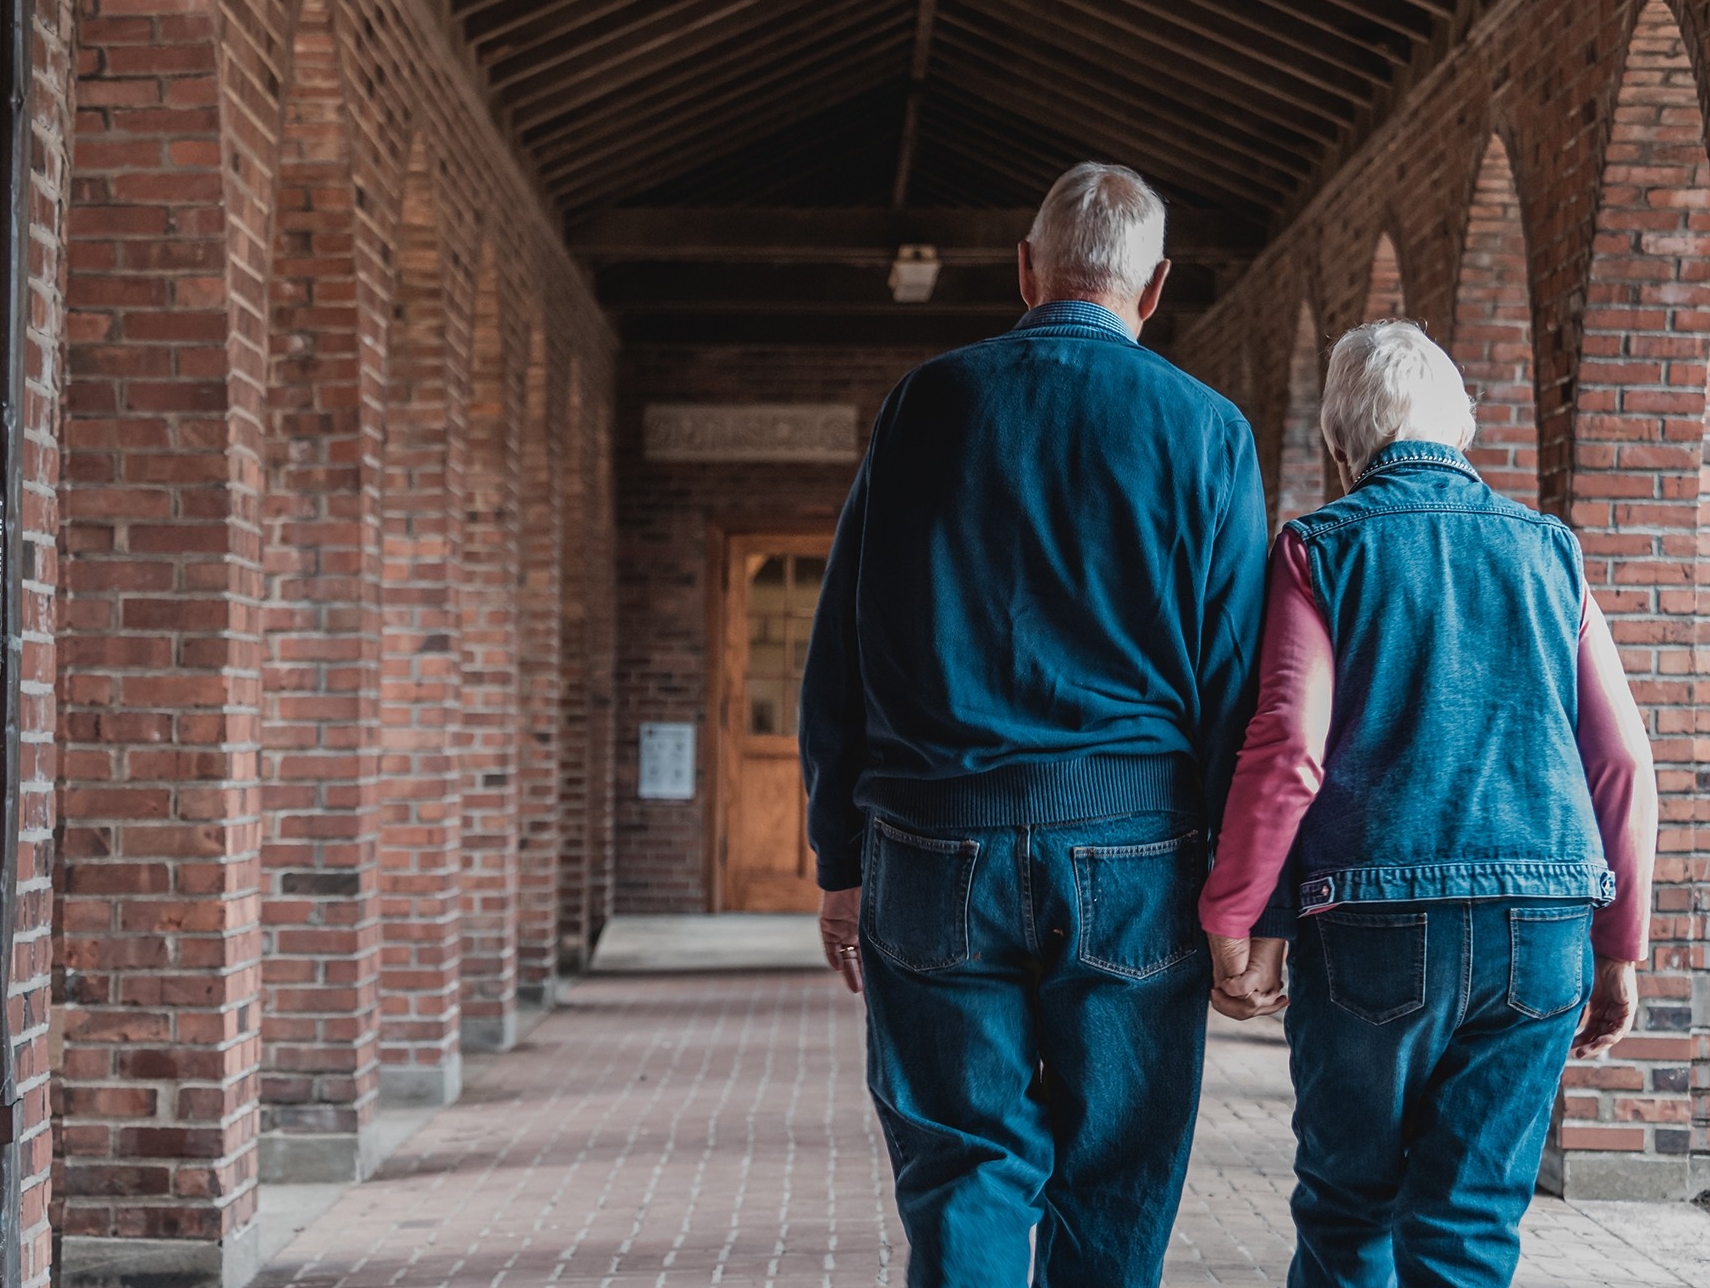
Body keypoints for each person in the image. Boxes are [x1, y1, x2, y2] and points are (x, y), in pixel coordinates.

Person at [798, 161, 1273, 1287]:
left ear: (1025, 269)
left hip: (929, 842)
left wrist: (838, 856)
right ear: (1154, 288)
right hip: (1136, 852)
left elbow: (845, 644)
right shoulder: (1207, 430)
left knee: (963, 1166)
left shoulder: (928, 402)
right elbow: (1239, 685)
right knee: (1117, 1173)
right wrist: (1238, 894)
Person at [1200, 320, 1657, 1288]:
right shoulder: (1551, 551)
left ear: (1337, 446)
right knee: (1471, 1218)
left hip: (1374, 923)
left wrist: (1236, 913)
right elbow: (1619, 757)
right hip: (1543, 924)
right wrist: (1619, 942)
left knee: (1348, 1203)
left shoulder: (1318, 549)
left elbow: (1288, 747)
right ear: (1466, 431)